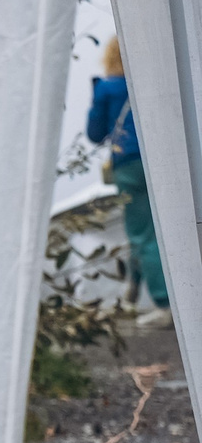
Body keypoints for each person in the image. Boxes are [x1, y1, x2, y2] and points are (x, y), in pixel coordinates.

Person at [89, 37, 172, 320]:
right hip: (161, 160)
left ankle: (165, 305)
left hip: (127, 165)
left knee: (141, 233)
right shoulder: (151, 81)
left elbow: (94, 133)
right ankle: (132, 289)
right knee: (157, 226)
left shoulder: (106, 88)